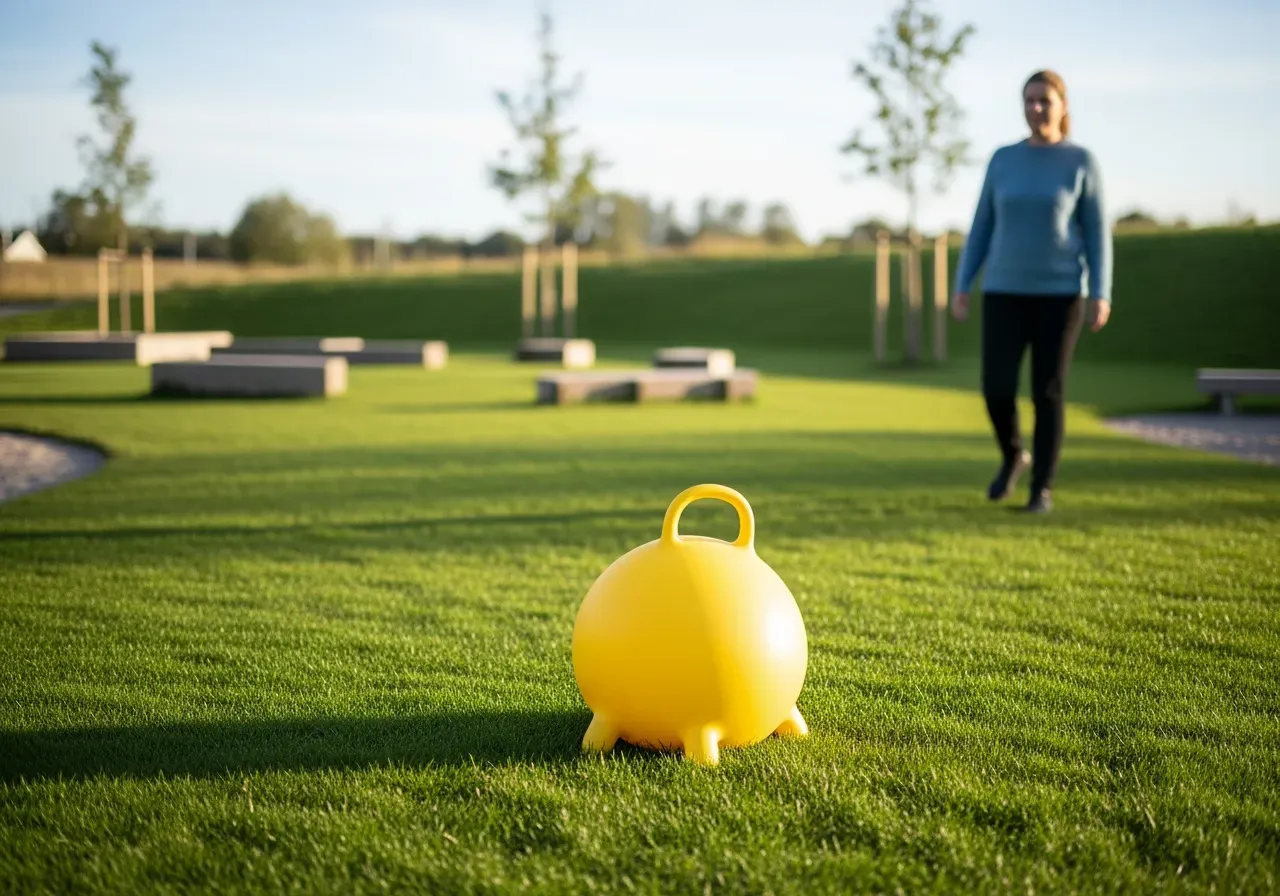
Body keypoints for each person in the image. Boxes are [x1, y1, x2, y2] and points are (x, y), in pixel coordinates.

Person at [951, 69, 1112, 514]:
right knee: (996, 388)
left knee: (1048, 391)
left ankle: (1041, 488)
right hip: (1003, 290)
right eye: (1029, 100)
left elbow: (1097, 233)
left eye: (1044, 100)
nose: (1036, 108)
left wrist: (1101, 290)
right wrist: (963, 283)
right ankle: (1013, 455)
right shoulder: (1002, 159)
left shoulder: (1081, 161)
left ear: (1062, 105)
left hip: (1060, 294)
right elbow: (982, 224)